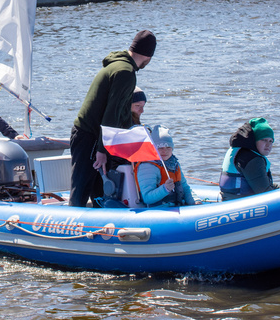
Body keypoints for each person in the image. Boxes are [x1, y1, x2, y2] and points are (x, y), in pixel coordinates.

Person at [69, 30, 156, 207]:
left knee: (100, 191)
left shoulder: (117, 65)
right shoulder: (125, 72)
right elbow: (112, 113)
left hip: (91, 134)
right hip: (90, 136)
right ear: (149, 55)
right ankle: (71, 228)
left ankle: (100, 228)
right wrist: (101, 150)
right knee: (81, 189)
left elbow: (120, 112)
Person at [219, 117, 280, 201]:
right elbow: (264, 192)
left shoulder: (241, 151)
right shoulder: (252, 160)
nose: (268, 145)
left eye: (271, 141)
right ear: (254, 141)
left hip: (229, 198)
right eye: (264, 140)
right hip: (241, 204)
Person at [135, 126, 196, 207]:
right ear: (153, 148)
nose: (165, 151)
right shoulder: (148, 167)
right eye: (160, 148)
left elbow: (184, 186)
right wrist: (165, 189)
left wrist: (195, 202)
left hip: (176, 205)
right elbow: (147, 198)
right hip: (159, 210)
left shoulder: (174, 163)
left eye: (168, 147)